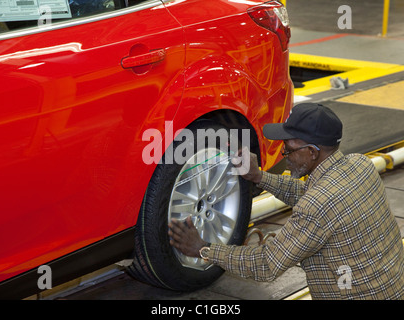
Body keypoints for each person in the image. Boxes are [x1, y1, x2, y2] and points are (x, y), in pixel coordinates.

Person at [168, 103, 404, 300]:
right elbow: (310, 193)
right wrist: (259, 176)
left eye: (289, 149)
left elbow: (267, 264)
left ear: (312, 151)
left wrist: (203, 249)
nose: (283, 155)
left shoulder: (318, 205)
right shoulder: (359, 165)